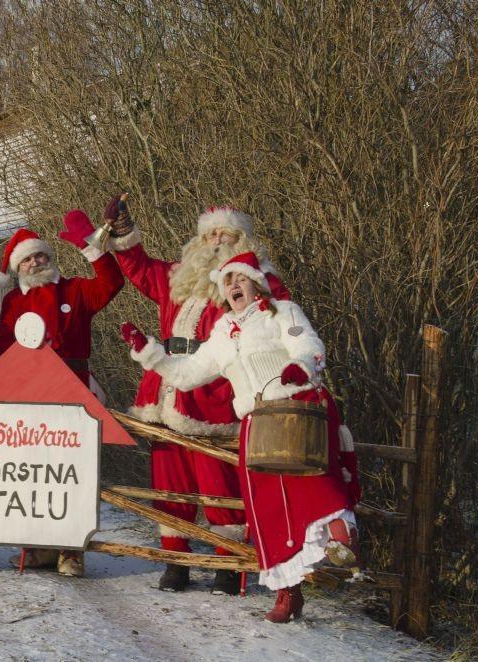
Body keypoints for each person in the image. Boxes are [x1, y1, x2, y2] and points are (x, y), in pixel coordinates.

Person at [122, 251, 361, 623]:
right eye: (228, 281)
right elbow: (187, 374)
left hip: (296, 407)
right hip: (257, 420)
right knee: (268, 510)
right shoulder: (223, 331)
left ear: (257, 282)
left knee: (314, 486)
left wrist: (299, 367)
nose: (234, 285)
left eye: (241, 278)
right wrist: (150, 355)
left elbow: (310, 346)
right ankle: (288, 593)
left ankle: (340, 538)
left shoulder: (282, 312)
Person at [108, 200, 289, 594]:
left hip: (214, 394)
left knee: (218, 482)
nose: (216, 241)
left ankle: (227, 562)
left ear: (240, 239)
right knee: (170, 480)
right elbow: (139, 268)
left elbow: (278, 309)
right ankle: (176, 562)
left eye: (225, 234)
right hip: (165, 389)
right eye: (209, 234)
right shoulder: (178, 277)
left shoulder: (250, 280)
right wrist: (123, 230)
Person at [0, 211, 125, 577]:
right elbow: (4, 348)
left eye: (40, 256)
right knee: (35, 470)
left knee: (74, 470)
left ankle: (71, 550)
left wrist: (93, 249)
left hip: (74, 389)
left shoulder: (75, 290)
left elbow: (112, 283)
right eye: (28, 259)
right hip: (32, 394)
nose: (36, 262)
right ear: (19, 267)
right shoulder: (13, 303)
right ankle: (36, 546)